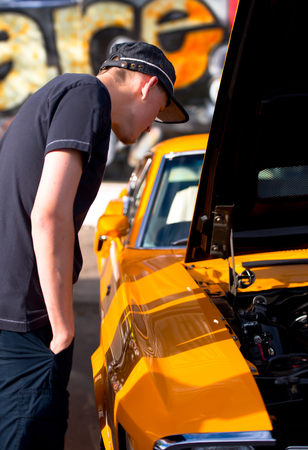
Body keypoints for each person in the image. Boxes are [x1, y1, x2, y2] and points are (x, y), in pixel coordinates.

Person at [0, 41, 188, 449]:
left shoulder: (61, 93)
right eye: (159, 110)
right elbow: (48, 215)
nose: (152, 125)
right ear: (147, 86)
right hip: (28, 325)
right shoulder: (88, 96)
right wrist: (64, 329)